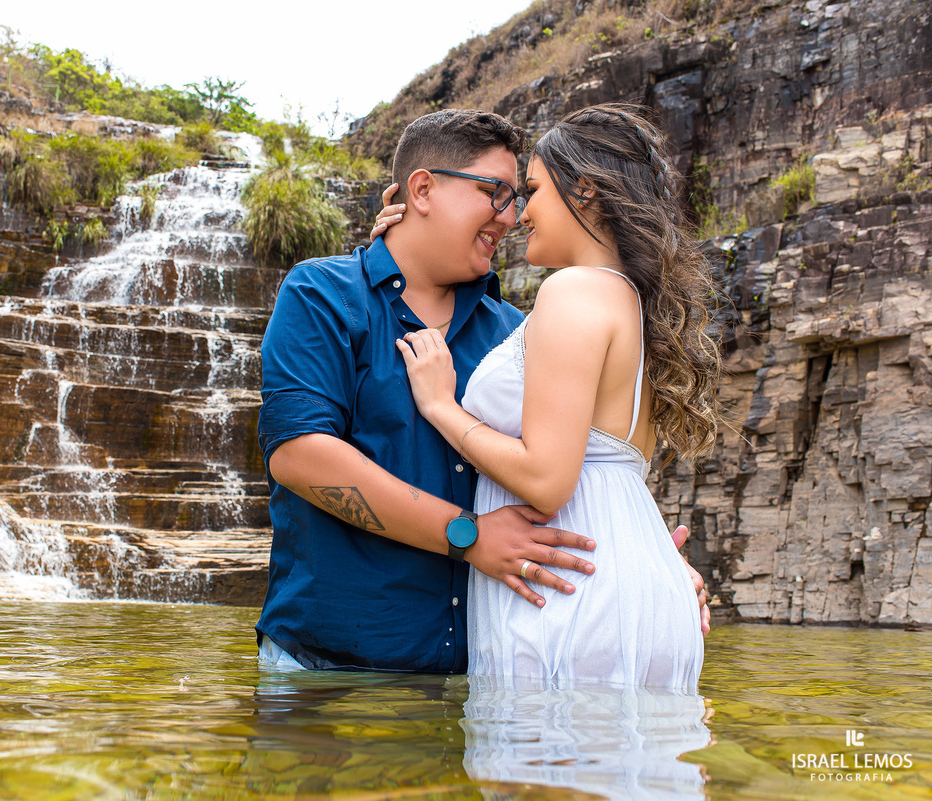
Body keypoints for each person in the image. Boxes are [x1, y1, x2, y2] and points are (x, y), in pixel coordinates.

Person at [255, 108, 707, 674]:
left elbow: (572, 459)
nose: (512, 215)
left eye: (521, 195)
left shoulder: (516, 331)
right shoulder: (322, 294)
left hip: (481, 670)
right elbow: (299, 456)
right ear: (423, 190)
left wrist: (643, 562)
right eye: (496, 192)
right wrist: (466, 536)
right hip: (330, 665)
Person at [392, 104, 720, 689]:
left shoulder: (572, 292)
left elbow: (548, 480)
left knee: (546, 771)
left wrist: (441, 406)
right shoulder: (631, 302)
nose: (519, 215)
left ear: (586, 191)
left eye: (533, 191)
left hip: (567, 593)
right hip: (623, 576)